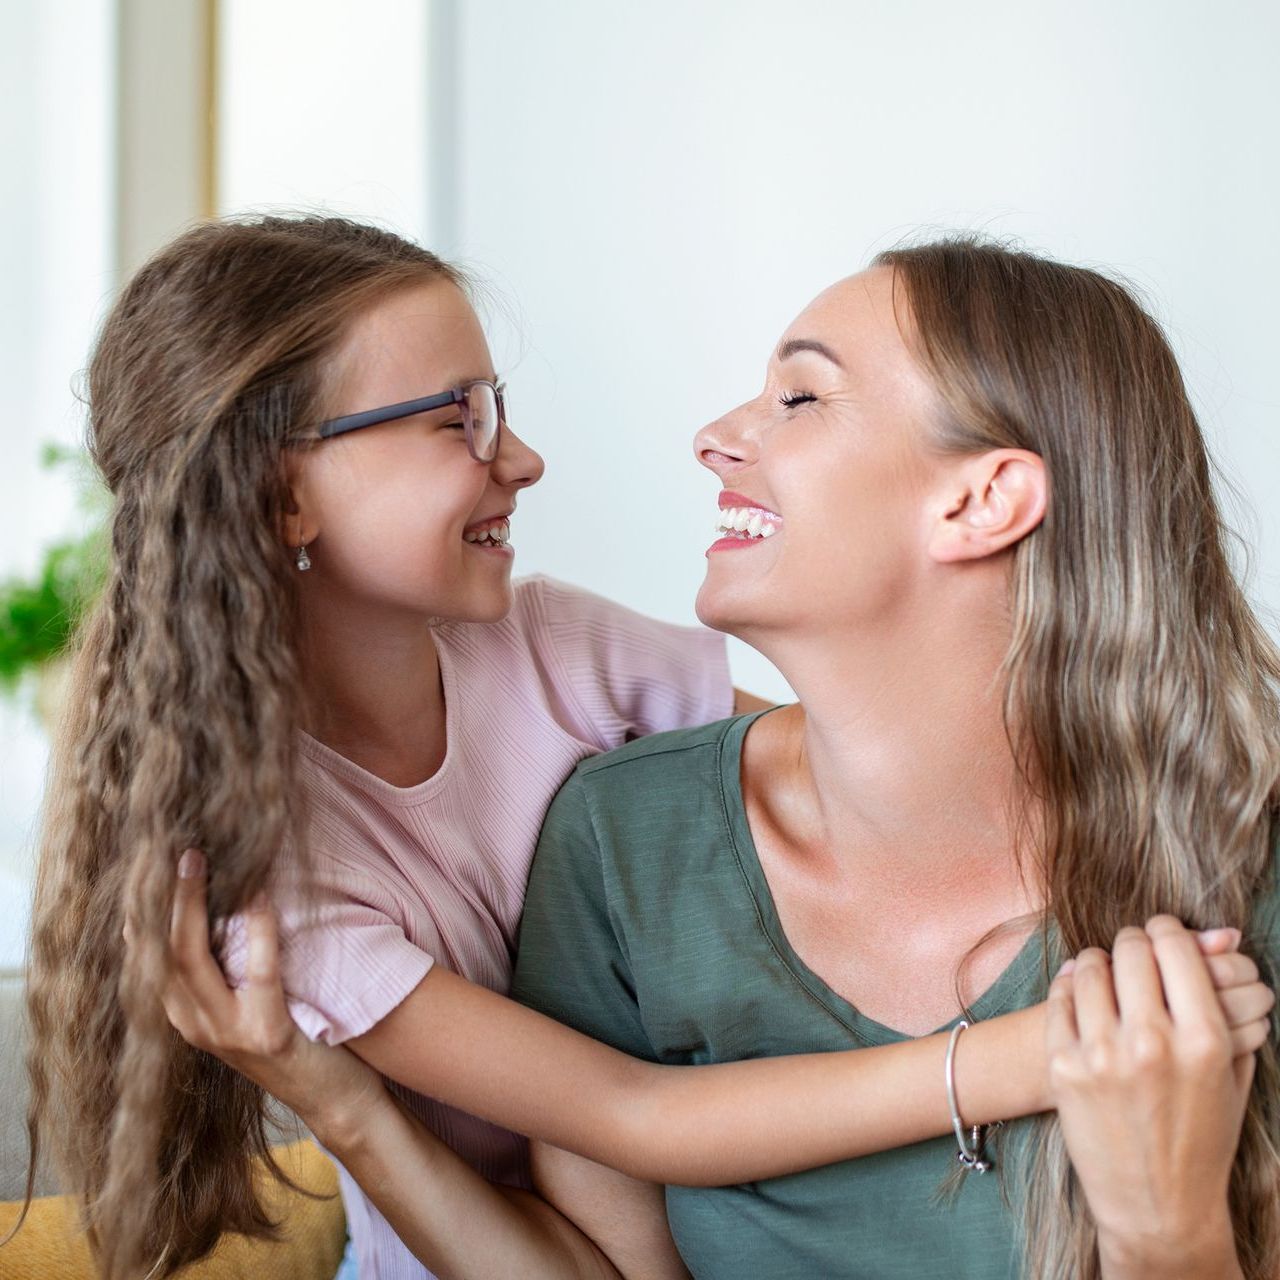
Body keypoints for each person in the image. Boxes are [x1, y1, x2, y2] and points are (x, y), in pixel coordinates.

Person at [22, 216, 1222, 1280]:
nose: (523, 456)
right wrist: (1047, 1048)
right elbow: (632, 1113)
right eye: (459, 417)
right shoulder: (270, 875)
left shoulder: (557, 649)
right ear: (286, 499)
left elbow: (858, 770)